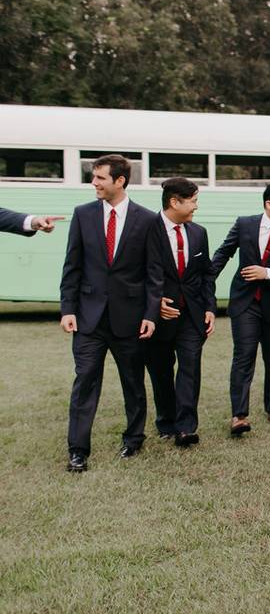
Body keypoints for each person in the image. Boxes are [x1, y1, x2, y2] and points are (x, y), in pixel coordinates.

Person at [59, 154, 160, 472]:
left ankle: (133, 438)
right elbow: (72, 266)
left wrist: (150, 314)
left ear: (120, 181)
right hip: (88, 318)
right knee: (84, 381)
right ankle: (77, 449)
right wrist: (67, 309)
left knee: (132, 381)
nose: (94, 183)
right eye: (94, 177)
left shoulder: (146, 219)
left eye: (100, 177)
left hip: (130, 318)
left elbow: (153, 273)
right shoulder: (82, 214)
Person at [210, 183, 270, 435]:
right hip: (245, 302)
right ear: (268, 204)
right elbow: (223, 254)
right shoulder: (244, 225)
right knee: (244, 355)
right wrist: (203, 283)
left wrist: (268, 273)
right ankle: (239, 416)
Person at [144, 178, 217, 448]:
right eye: (194, 200)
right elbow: (134, 273)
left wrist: (209, 307)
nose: (197, 206)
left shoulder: (199, 232)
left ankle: (186, 427)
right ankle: (166, 421)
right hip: (159, 317)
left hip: (191, 316)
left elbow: (206, 274)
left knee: (190, 368)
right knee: (161, 372)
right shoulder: (145, 229)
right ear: (175, 201)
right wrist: (151, 304)